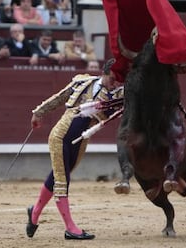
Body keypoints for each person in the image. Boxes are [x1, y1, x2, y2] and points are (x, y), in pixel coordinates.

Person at [27, 58, 124, 240]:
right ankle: (70, 228)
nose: (115, 84)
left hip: (79, 142)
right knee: (62, 181)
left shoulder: (120, 95)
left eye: (118, 80)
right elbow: (60, 97)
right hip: (60, 137)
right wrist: (38, 112)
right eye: (112, 79)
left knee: (57, 177)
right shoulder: (83, 81)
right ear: (104, 73)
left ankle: (34, 214)